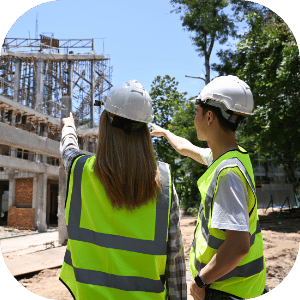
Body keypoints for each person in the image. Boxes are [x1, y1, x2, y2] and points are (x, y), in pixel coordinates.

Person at [59, 80, 187, 300]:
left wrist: (69, 126)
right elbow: (175, 264)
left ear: (106, 124)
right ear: (144, 131)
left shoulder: (81, 170)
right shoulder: (163, 182)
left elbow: (68, 150)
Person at [150, 75, 266, 300]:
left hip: (227, 291)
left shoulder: (228, 173)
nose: (195, 119)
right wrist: (165, 133)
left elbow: (238, 245)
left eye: (197, 113)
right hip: (240, 287)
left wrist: (201, 281)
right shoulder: (229, 156)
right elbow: (186, 147)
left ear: (210, 116)